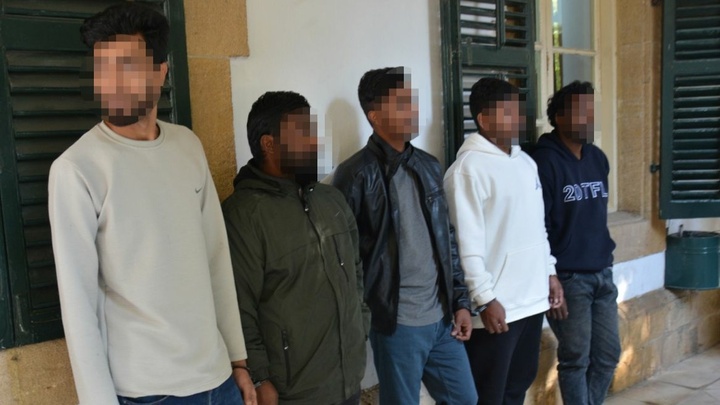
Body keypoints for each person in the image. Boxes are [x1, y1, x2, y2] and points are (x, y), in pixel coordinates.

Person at [48, 3, 255, 404]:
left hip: (219, 379)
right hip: (147, 392)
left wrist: (238, 361)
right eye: (102, 68)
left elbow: (216, 259)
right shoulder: (77, 169)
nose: (111, 82)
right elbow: (79, 307)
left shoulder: (187, 146)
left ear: (160, 71)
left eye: (126, 65)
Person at [332, 67, 477, 405]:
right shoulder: (355, 175)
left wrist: (460, 302)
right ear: (374, 115)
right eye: (401, 103)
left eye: (412, 100)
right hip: (397, 324)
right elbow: (345, 261)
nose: (413, 110)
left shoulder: (429, 165)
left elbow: (447, 240)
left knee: (465, 399)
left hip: (442, 318)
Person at [223, 91, 368, 405]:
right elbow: (238, 305)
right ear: (269, 144)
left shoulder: (331, 200)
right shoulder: (244, 215)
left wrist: (361, 326)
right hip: (294, 392)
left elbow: (356, 271)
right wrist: (259, 377)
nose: (315, 142)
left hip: (348, 379)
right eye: (303, 132)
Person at [443, 78, 563, 405]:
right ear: (484, 119)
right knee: (489, 395)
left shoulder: (525, 163)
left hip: (532, 301)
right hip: (496, 309)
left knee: (517, 387)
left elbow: (537, 228)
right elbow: (464, 244)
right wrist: (484, 299)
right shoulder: (466, 171)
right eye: (508, 112)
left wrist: (549, 272)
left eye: (519, 111)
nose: (518, 119)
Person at [532, 81, 621, 405]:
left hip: (602, 273)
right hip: (568, 279)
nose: (590, 118)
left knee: (608, 355)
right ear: (559, 117)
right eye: (582, 112)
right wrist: (550, 276)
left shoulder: (597, 158)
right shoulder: (543, 163)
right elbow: (536, 226)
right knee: (576, 360)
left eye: (592, 111)